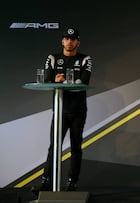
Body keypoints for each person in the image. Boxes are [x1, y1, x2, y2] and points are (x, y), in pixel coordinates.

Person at [40, 28, 92, 192]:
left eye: (73, 39)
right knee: (54, 147)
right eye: (66, 39)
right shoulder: (53, 58)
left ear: (78, 42)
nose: (69, 42)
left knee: (76, 146)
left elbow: (83, 83)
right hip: (60, 109)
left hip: (78, 111)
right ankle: (46, 182)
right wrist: (56, 81)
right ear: (62, 41)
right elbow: (46, 80)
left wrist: (62, 83)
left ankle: (72, 182)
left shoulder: (85, 59)